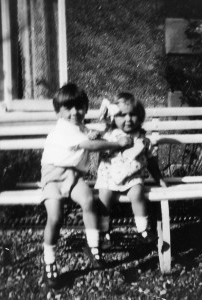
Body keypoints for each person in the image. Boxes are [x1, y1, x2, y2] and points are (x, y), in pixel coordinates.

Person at [41, 83, 133, 288]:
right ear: (58, 111)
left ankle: (92, 246)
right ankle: (49, 260)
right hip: (54, 176)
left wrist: (93, 131)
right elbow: (90, 145)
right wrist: (117, 144)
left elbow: (87, 134)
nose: (75, 112)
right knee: (55, 217)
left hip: (74, 176)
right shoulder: (64, 128)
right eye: (68, 108)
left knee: (89, 200)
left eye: (80, 107)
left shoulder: (78, 126)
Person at [95, 92, 167, 247]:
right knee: (104, 197)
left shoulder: (142, 138)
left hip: (132, 177)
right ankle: (104, 231)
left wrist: (159, 179)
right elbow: (95, 146)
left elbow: (151, 161)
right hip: (108, 176)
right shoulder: (108, 134)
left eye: (133, 114)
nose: (128, 119)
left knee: (137, 193)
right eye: (122, 115)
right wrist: (97, 137)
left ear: (139, 117)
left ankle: (142, 230)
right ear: (113, 116)